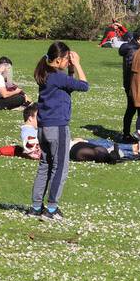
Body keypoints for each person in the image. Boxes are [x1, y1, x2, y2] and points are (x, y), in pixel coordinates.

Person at [29, 43, 89, 219]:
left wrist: (69, 70)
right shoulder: (57, 77)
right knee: (60, 167)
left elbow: (68, 85)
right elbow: (84, 86)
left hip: (43, 128)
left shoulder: (47, 75)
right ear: (58, 59)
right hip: (58, 128)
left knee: (45, 166)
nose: (68, 61)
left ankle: (36, 207)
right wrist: (77, 65)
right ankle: (52, 208)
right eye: (66, 58)